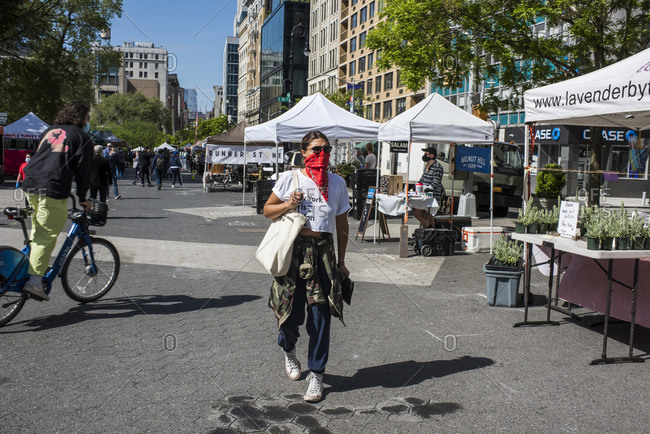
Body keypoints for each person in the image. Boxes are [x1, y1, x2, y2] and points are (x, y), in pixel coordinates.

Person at [263, 130, 350, 403]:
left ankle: (316, 373)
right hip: (293, 251)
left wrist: (342, 262)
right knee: (289, 313)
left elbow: (342, 223)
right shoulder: (290, 178)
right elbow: (268, 210)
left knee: (320, 317)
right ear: (304, 152)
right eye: (316, 149)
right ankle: (288, 349)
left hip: (323, 253)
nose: (321, 155)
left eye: (326, 150)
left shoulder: (337, 183)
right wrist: (290, 203)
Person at [21, 100, 93, 301]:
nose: (88, 120)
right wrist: (83, 198)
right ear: (81, 116)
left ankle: (28, 267)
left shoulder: (50, 130)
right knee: (46, 235)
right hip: (52, 187)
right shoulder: (81, 137)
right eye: (87, 116)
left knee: (38, 230)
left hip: (31, 183)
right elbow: (83, 172)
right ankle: (34, 282)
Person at [414, 146, 444, 228]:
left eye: (426, 154)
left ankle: (433, 231)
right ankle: (429, 228)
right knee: (417, 213)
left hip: (432, 195)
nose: (424, 155)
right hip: (424, 194)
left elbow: (435, 183)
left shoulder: (438, 167)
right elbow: (423, 178)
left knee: (430, 214)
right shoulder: (428, 165)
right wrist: (417, 186)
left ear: (432, 155)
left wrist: (428, 189)